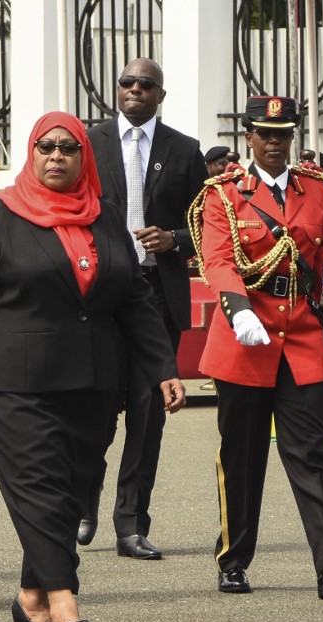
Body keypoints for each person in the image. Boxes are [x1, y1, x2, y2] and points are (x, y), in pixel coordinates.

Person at [0, 111, 186, 622]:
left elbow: (134, 300)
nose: (56, 157)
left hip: (92, 381)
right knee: (40, 487)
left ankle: (30, 597)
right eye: (45, 147)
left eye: (68, 148)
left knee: (70, 491)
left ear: (83, 156)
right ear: (31, 151)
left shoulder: (106, 215)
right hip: (14, 383)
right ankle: (64, 598)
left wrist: (164, 368)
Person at [188, 95, 323, 600]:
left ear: (292, 138)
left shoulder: (316, 189)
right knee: (241, 456)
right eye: (265, 135)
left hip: (302, 337)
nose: (274, 143)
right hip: (246, 335)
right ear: (248, 137)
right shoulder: (223, 194)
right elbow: (220, 259)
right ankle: (233, 559)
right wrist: (237, 308)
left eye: (283, 134)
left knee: (311, 454)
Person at [83, 57, 208, 558]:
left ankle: (131, 523)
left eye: (145, 84)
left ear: (160, 94)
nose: (134, 89)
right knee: (94, 411)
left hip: (157, 296)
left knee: (146, 411)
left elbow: (207, 224)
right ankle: (82, 502)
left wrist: (173, 239)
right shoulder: (88, 143)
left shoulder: (185, 150)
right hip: (100, 298)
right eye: (127, 82)